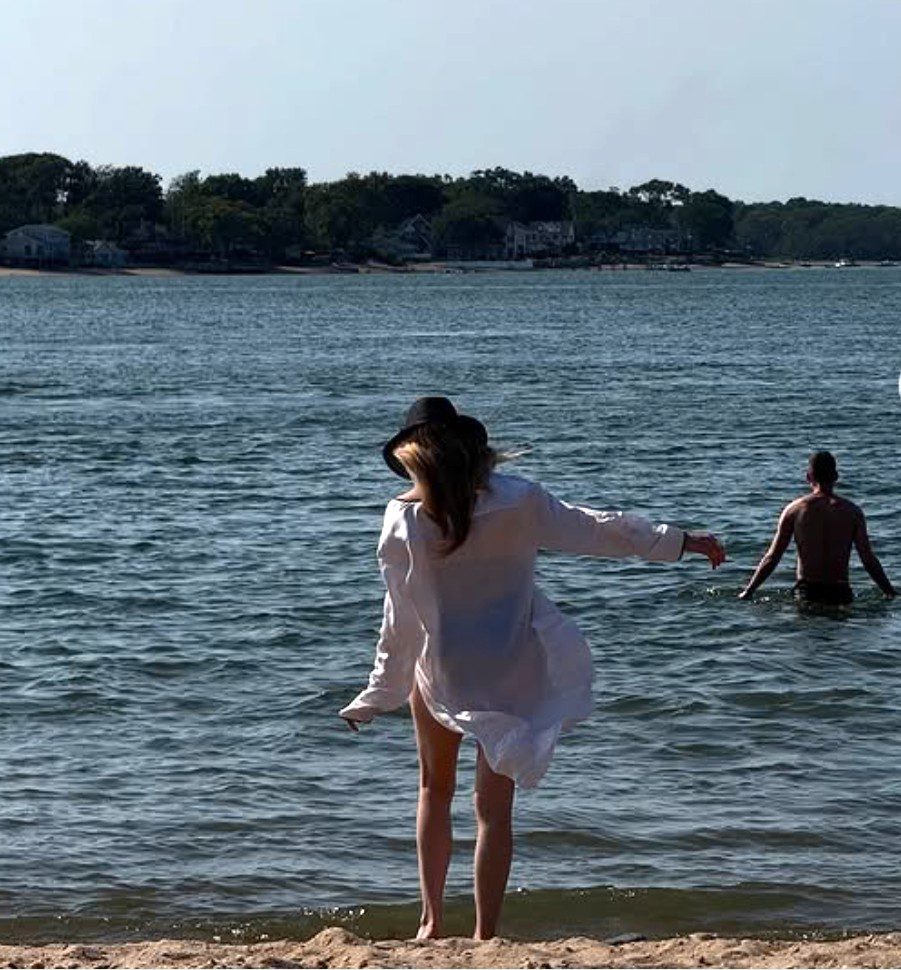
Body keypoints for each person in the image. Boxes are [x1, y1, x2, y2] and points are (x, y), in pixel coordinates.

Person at [338, 396, 726, 941]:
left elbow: (399, 620)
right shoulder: (519, 500)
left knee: (434, 791)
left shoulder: (404, 518)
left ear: (413, 458)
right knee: (494, 810)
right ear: (473, 449)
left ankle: (431, 923)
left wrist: (376, 695)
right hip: (510, 665)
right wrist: (678, 542)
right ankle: (486, 934)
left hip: (442, 667)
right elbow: (598, 530)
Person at [738, 451, 895, 604]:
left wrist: (749, 591)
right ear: (836, 476)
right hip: (839, 591)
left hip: (807, 591)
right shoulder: (852, 512)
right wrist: (889, 591)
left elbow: (773, 557)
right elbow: (868, 559)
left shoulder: (794, 510)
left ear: (808, 477)